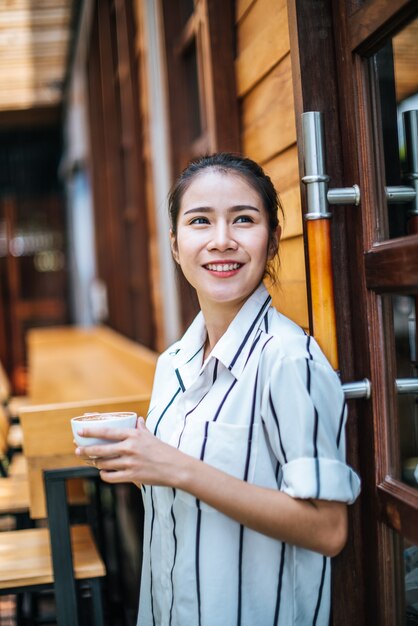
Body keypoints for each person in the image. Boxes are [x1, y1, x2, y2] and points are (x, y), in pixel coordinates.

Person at [75, 152, 361, 626]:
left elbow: (327, 529)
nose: (221, 241)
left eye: (243, 219)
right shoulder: (174, 363)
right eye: (200, 221)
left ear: (271, 242)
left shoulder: (289, 361)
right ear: (175, 244)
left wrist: (177, 467)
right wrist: (136, 456)